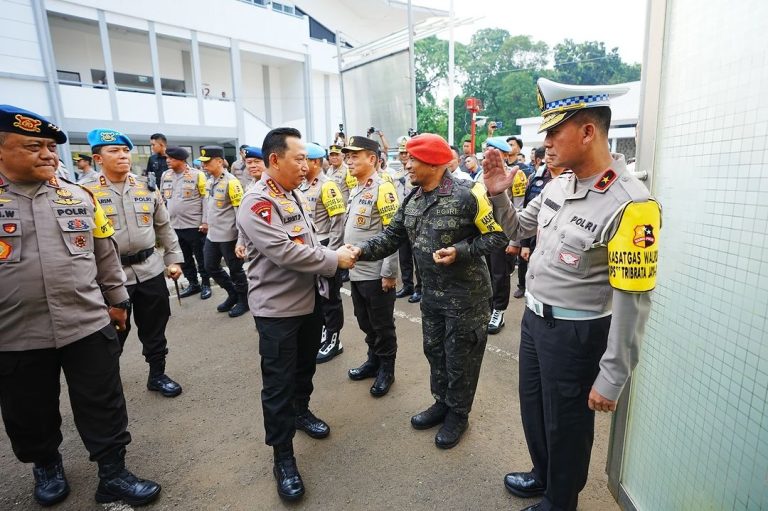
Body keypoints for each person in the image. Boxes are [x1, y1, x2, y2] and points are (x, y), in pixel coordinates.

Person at [483, 78, 661, 511]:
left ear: (587, 132)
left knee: (567, 424)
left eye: (553, 131)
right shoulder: (560, 184)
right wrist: (498, 193)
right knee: (536, 410)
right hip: (535, 322)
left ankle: (560, 501)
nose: (544, 144)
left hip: (577, 333)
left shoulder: (631, 204)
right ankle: (543, 476)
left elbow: (632, 302)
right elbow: (518, 230)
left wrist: (612, 375)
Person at [0, 105, 161, 506]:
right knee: (29, 408)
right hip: (16, 333)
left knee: (102, 400)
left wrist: (118, 302)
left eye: (51, 147)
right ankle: (46, 463)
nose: (48, 155)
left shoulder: (80, 197)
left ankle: (113, 472)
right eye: (33, 146)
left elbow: (105, 255)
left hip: (86, 323)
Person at [347, 133, 507, 448]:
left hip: (466, 299)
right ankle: (442, 402)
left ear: (432, 163)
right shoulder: (413, 198)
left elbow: (498, 237)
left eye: (412, 159)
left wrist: (460, 251)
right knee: (435, 352)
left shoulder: (468, 194)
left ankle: (458, 414)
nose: (406, 165)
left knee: (460, 358)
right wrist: (359, 251)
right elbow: (391, 236)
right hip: (432, 297)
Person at [236, 127, 357, 501]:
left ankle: (301, 412)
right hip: (277, 312)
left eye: (307, 158)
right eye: (299, 158)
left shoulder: (291, 194)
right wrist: (334, 259)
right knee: (277, 385)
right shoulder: (257, 202)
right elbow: (286, 252)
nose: (306, 165)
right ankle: (283, 456)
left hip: (309, 302)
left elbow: (308, 238)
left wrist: (331, 254)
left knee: (304, 368)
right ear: (275, 160)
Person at [81, 128, 185, 399]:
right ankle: (107, 381)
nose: (123, 156)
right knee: (112, 334)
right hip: (110, 276)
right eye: (114, 151)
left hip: (149, 268)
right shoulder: (85, 193)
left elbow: (164, 226)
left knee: (155, 327)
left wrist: (173, 259)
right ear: (98, 158)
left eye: (125, 150)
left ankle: (157, 374)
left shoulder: (146, 186)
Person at [343, 135, 400, 397]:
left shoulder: (383, 188)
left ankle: (386, 369)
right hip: (357, 272)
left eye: (355, 155)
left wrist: (389, 272)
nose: (349, 160)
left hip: (376, 274)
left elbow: (393, 234)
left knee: (382, 325)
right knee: (365, 321)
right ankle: (373, 360)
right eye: (348, 155)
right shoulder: (356, 187)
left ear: (373, 159)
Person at [299, 143, 347, 363]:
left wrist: (334, 255)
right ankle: (325, 333)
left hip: (327, 246)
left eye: (304, 160)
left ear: (315, 162)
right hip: (312, 247)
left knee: (330, 298)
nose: (300, 164)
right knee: (318, 297)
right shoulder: (302, 186)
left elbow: (337, 222)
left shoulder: (327, 186)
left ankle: (334, 340)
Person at [199, 145, 249, 317]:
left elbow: (240, 213)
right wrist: (204, 223)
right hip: (212, 235)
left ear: (219, 161)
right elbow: (208, 206)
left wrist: (241, 240)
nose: (204, 165)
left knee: (236, 271)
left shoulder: (232, 182)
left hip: (229, 236)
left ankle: (244, 300)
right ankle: (232, 293)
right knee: (210, 266)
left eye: (207, 162)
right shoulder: (210, 181)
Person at [485, 137, 527, 335]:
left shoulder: (515, 175)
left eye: (493, 151)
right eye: (487, 150)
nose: (488, 154)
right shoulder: (481, 175)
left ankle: (498, 311)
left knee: (500, 274)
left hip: (503, 232)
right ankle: (487, 307)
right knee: (485, 273)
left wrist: (514, 241)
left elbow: (518, 208)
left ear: (503, 154)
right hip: (483, 232)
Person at [160, 146, 211, 300]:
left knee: (200, 257)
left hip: (194, 225)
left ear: (181, 160)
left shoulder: (197, 175)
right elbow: (162, 198)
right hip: (174, 225)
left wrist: (205, 221)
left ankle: (206, 284)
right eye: (167, 158)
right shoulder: (165, 175)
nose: (168, 161)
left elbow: (205, 199)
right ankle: (193, 284)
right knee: (184, 258)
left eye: (171, 158)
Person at [514, 147, 554, 300]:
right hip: (531, 231)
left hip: (549, 236)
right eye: (547, 156)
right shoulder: (535, 179)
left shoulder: (570, 181)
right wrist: (523, 243)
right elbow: (525, 211)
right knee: (525, 260)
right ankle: (523, 286)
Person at [393, 137, 423, 303]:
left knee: (417, 256)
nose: (404, 156)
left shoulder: (417, 173)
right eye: (402, 153)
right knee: (403, 256)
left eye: (407, 153)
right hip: (401, 219)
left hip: (416, 219)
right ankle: (407, 285)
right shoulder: (396, 174)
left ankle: (420, 288)